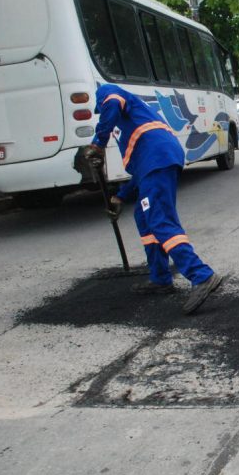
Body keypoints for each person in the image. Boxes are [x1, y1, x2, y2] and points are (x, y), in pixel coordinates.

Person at [83, 84, 222, 315]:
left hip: (158, 158)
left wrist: (98, 143)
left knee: (160, 220)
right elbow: (140, 173)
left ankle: (202, 276)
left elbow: (112, 101)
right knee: (145, 217)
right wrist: (120, 197)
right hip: (154, 162)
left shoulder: (107, 92)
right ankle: (160, 278)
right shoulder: (132, 125)